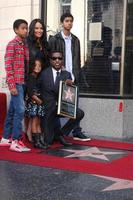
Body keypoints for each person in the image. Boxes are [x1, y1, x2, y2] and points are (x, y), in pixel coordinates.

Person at [49, 13, 90, 141]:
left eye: (71, 21)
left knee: (74, 108)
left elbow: (77, 60)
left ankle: (76, 132)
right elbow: (51, 59)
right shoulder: (55, 39)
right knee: (57, 106)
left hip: (73, 78)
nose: (69, 23)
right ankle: (56, 133)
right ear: (62, 23)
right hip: (60, 77)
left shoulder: (76, 40)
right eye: (67, 21)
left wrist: (76, 76)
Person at [39, 50, 84, 146]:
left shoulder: (67, 75)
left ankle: (61, 133)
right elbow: (36, 88)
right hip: (48, 110)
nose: (57, 61)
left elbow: (70, 92)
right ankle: (51, 135)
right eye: (54, 58)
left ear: (63, 60)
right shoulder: (43, 74)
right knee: (48, 142)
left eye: (60, 58)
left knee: (80, 113)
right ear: (50, 60)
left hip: (62, 108)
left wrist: (69, 84)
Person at [0, 19, 31, 152]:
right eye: (23, 28)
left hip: (23, 82)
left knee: (12, 111)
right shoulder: (12, 44)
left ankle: (6, 138)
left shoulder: (24, 45)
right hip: (16, 83)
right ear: (16, 30)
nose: (26, 30)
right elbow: (8, 66)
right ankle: (16, 141)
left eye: (26, 28)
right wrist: (12, 85)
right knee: (20, 110)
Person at [25, 18, 50, 140]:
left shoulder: (45, 44)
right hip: (31, 77)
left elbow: (48, 62)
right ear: (32, 29)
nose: (39, 30)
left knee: (37, 109)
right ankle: (29, 132)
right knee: (30, 105)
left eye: (41, 28)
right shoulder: (27, 42)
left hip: (42, 78)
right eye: (36, 28)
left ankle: (32, 131)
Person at [25, 59, 48, 149]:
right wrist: (38, 100)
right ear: (32, 66)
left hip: (39, 103)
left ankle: (40, 141)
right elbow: (30, 93)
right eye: (36, 65)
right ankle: (36, 142)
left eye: (39, 66)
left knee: (38, 122)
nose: (38, 67)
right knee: (35, 121)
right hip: (34, 103)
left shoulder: (37, 77)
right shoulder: (31, 77)